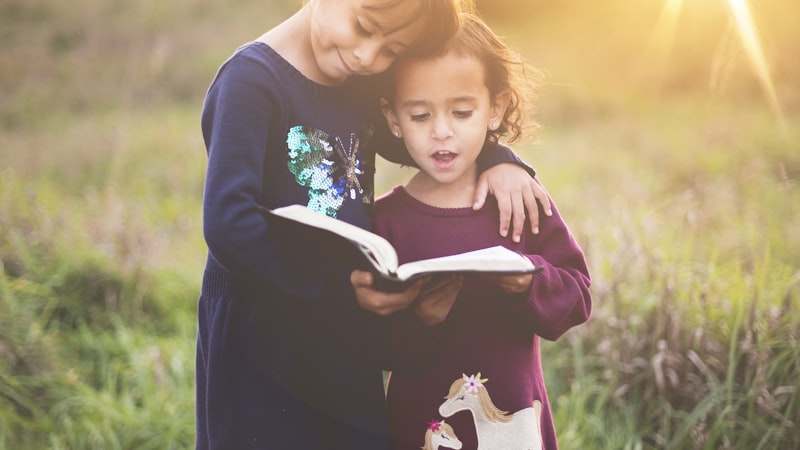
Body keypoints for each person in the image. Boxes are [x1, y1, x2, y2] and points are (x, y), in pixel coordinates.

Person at [196, 1, 552, 448]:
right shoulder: (251, 82)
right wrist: (340, 286)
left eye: (391, 49)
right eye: (364, 27)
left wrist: (502, 160)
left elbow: (430, 144)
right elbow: (229, 222)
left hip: (346, 330)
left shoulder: (358, 83)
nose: (369, 57)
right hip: (262, 334)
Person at [374, 13, 593, 450]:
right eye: (419, 115)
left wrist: (527, 280)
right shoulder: (385, 222)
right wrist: (420, 320)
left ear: (495, 108)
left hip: (511, 424)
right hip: (420, 427)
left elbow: (578, 296)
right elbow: (373, 346)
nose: (442, 132)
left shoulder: (518, 199)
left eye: (461, 111)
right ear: (393, 118)